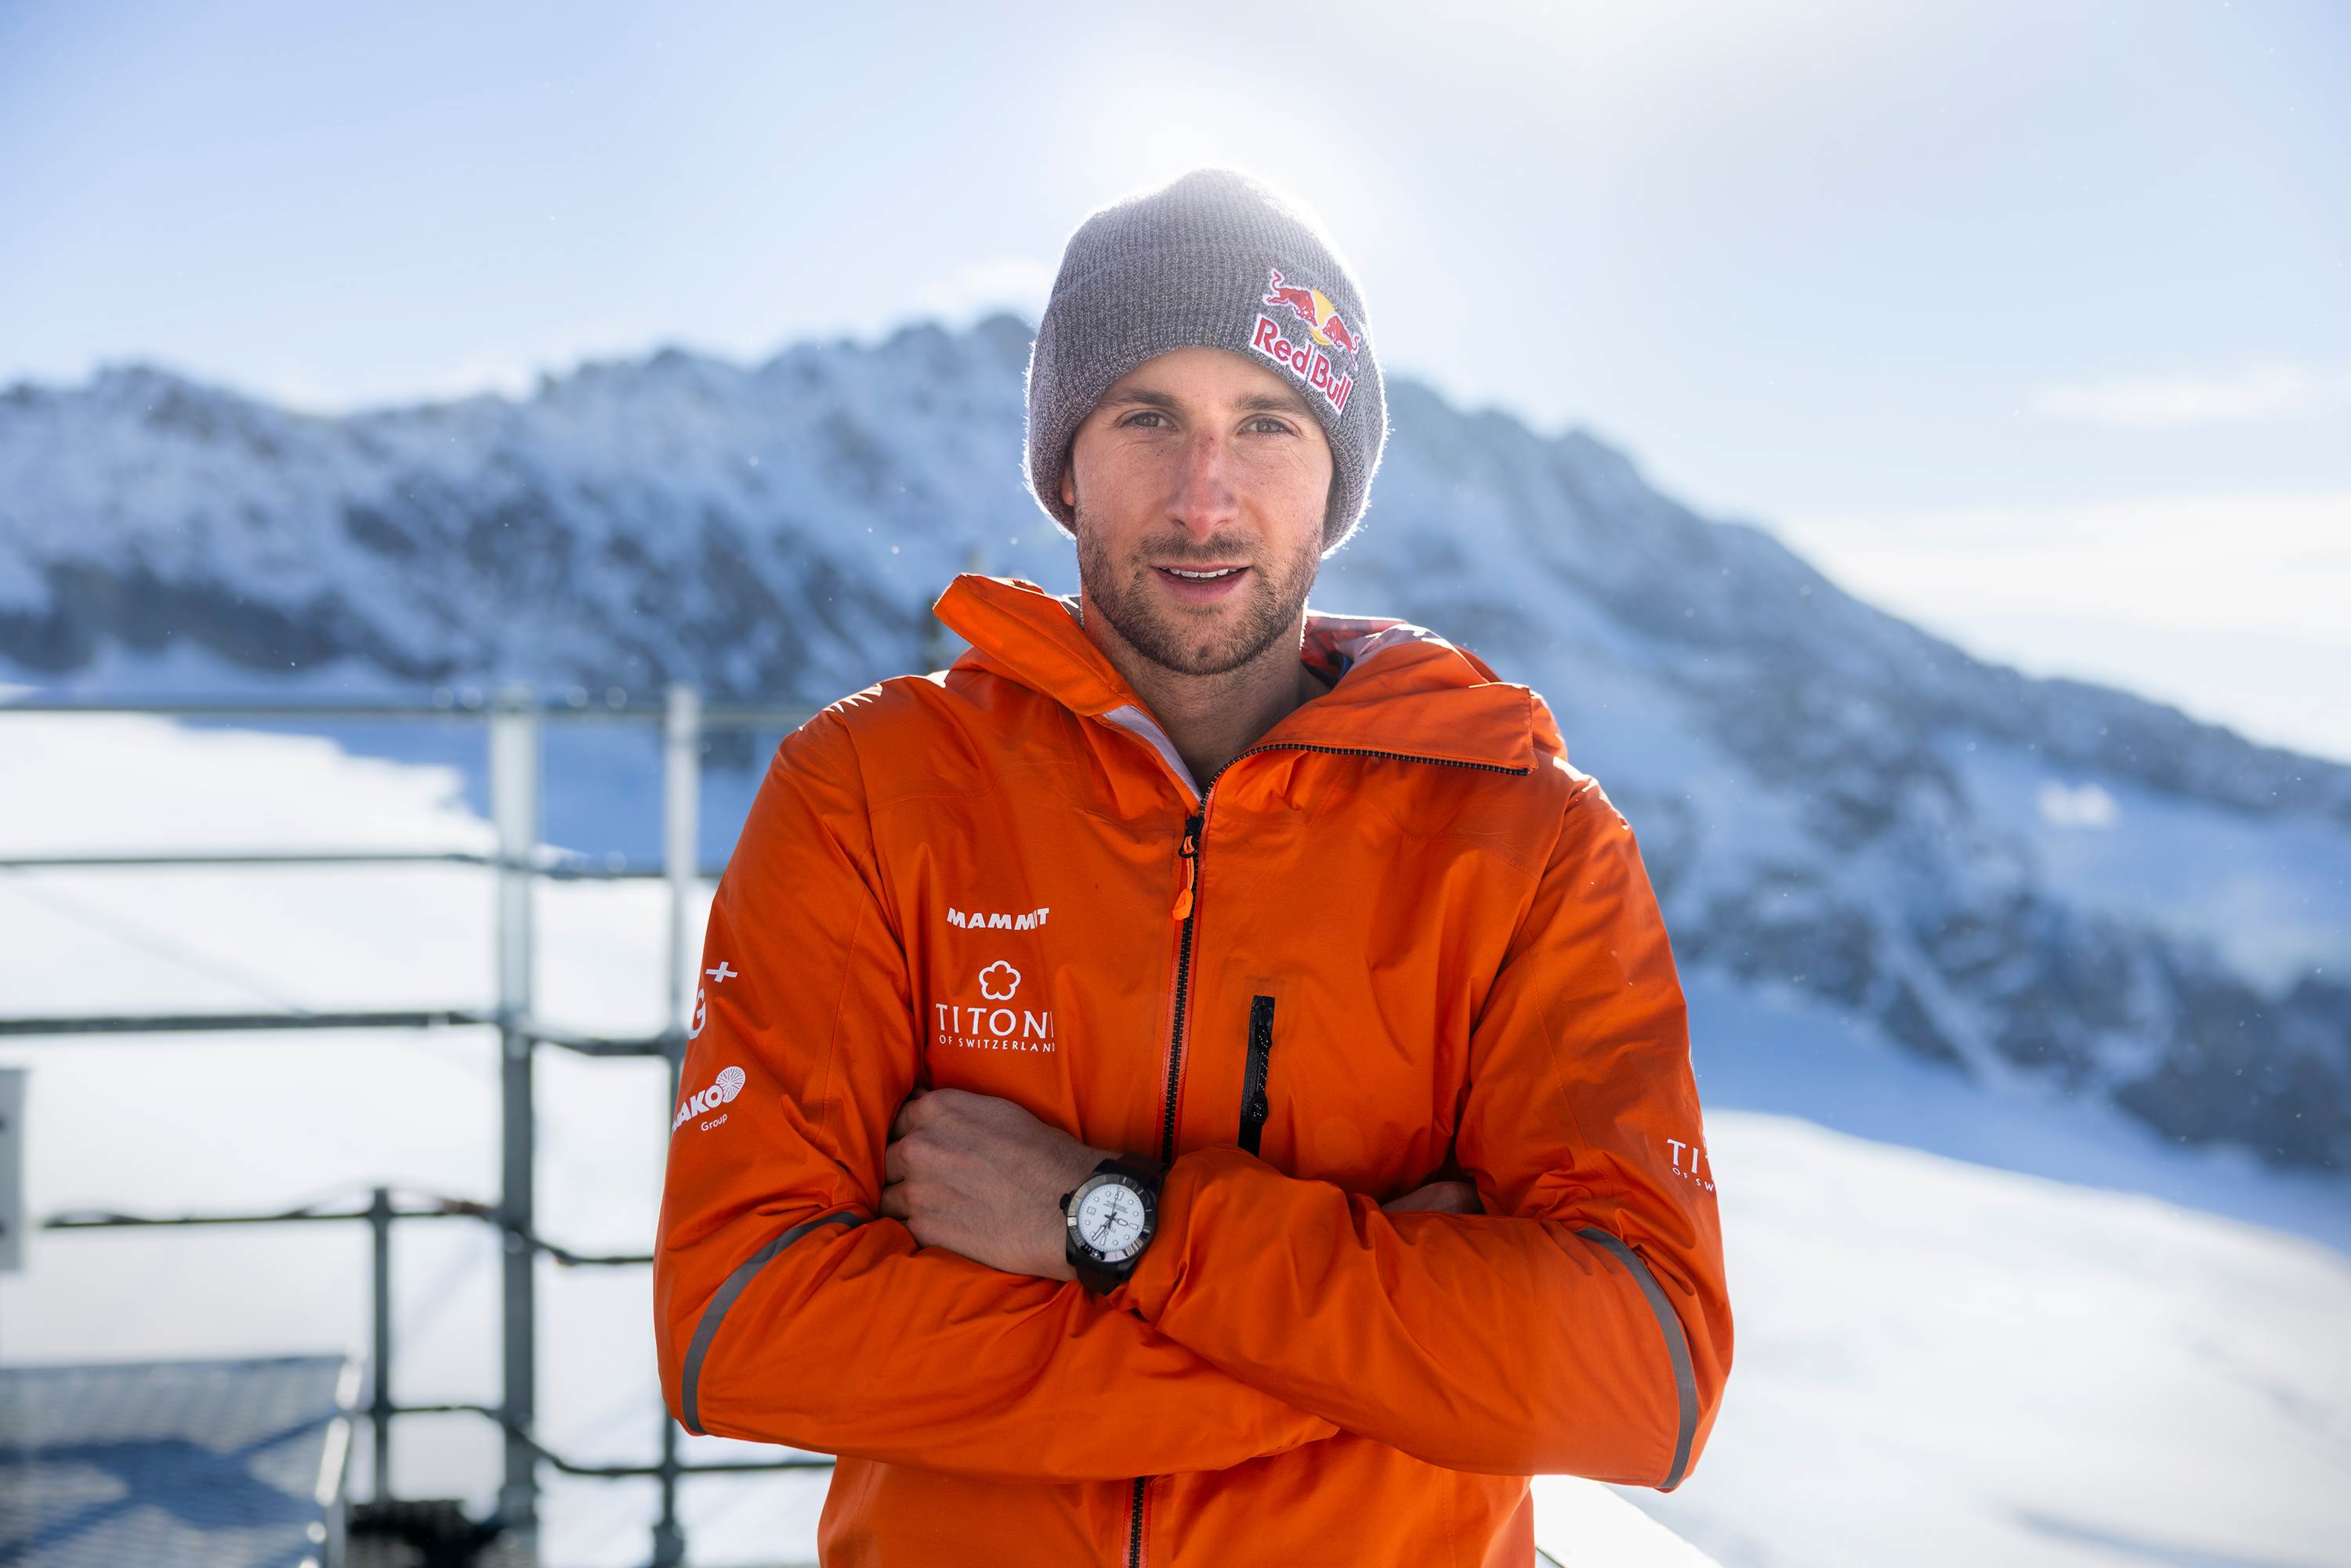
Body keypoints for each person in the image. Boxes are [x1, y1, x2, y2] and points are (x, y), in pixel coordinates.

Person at [654, 166, 1733, 1566]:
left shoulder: (1530, 841)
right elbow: (741, 1320)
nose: (1204, 495)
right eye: (1146, 416)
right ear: (1066, 466)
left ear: (1336, 480)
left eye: (1266, 424)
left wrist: (1117, 1226)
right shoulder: (869, 786)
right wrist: (1360, 1360)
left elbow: (1644, 1370)